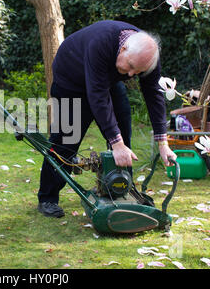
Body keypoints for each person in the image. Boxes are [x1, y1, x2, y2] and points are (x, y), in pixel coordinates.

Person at [37, 20, 177, 218]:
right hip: (71, 81)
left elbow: (154, 94)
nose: (131, 75)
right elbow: (97, 96)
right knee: (66, 141)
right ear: (123, 48)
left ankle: (121, 189)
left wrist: (163, 143)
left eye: (137, 72)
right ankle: (48, 198)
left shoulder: (146, 55)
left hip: (106, 80)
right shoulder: (101, 43)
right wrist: (115, 142)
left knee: (123, 132)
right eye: (130, 67)